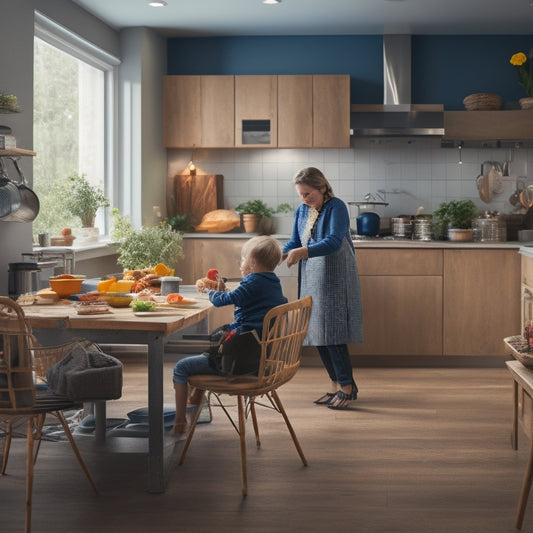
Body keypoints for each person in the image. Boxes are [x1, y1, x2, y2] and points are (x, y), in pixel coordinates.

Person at [172, 235, 288, 433]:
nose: (241, 262)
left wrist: (209, 292)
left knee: (181, 367)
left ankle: (180, 422)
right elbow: (243, 296)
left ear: (251, 263)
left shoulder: (252, 282)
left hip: (241, 361)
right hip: (260, 356)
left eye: (243, 259)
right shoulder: (271, 282)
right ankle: (195, 407)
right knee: (204, 353)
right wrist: (225, 291)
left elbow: (220, 302)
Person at [282, 167, 363, 410]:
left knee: (334, 334)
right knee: (318, 334)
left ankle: (347, 388)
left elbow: (333, 241)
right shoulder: (302, 211)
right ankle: (335, 386)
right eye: (301, 195)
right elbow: (296, 242)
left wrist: (301, 252)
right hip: (313, 277)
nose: (305, 199)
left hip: (335, 277)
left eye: (308, 194)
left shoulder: (336, 207)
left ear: (322, 187)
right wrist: (278, 252)